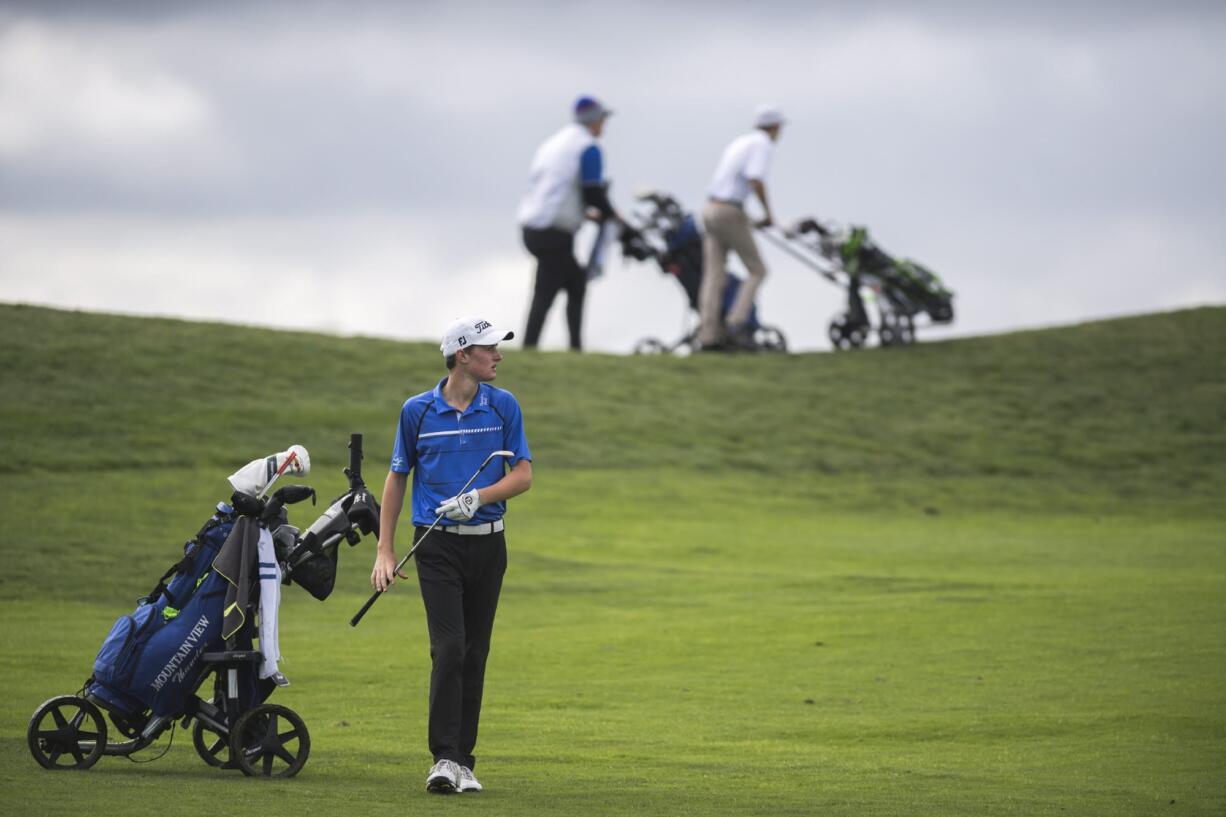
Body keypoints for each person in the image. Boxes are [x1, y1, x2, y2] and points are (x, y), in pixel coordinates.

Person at [370, 316, 533, 795]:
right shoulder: (417, 412)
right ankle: (443, 758)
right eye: (489, 349)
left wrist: (479, 497)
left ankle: (464, 761)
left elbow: (522, 476)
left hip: (489, 542)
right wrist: (385, 548)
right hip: (437, 544)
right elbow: (398, 477)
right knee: (449, 648)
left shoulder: (503, 406)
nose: (498, 356)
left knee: (475, 653)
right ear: (463, 355)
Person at [516, 95, 624, 351]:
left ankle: (564, 347)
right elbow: (592, 192)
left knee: (573, 283)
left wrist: (587, 214)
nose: (604, 125)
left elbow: (556, 191)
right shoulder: (588, 148)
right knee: (548, 290)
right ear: (593, 121)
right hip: (553, 232)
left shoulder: (553, 144)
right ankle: (537, 347)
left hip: (532, 226)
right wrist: (611, 214)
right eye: (602, 119)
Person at [697, 104, 786, 351]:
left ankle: (708, 335)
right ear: (775, 127)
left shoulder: (739, 142)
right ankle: (736, 322)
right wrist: (768, 214)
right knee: (758, 270)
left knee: (713, 276)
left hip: (709, 209)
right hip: (729, 211)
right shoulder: (763, 145)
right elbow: (755, 178)